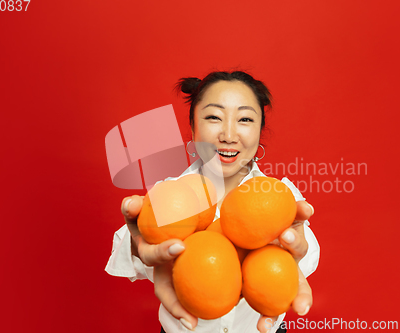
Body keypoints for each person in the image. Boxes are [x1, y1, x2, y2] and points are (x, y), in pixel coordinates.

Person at [105, 71, 320, 333]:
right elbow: (125, 255)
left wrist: (291, 253)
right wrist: (140, 243)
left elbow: (306, 258)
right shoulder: (167, 194)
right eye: (214, 117)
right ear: (193, 128)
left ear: (260, 130)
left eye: (244, 119)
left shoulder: (282, 196)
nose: (228, 135)